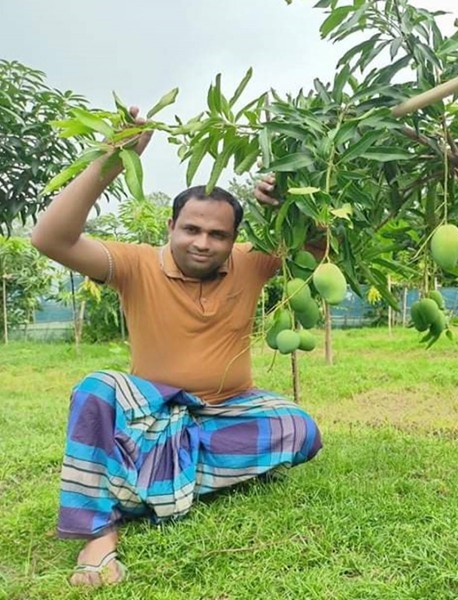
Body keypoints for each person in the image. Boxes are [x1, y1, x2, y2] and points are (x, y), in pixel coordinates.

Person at [30, 108, 322, 587]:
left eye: (218, 234)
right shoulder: (133, 264)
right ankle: (98, 532)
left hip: (230, 408)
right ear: (171, 226)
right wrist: (113, 161)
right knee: (96, 389)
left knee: (300, 429)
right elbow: (50, 238)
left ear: (233, 240)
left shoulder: (252, 262)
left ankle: (137, 484)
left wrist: (289, 207)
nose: (203, 243)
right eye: (192, 229)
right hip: (153, 408)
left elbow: (320, 250)